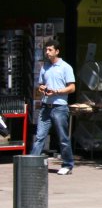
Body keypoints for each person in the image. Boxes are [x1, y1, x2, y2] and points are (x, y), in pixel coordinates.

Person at [31, 39, 76, 175]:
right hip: (46, 106)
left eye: (50, 50)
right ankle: (31, 164)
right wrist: (42, 88)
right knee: (40, 136)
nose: (47, 52)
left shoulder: (66, 67)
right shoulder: (45, 67)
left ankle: (67, 164)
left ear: (57, 51)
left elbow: (72, 87)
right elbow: (40, 86)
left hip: (59, 107)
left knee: (62, 137)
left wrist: (56, 91)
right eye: (46, 50)